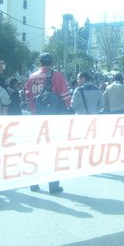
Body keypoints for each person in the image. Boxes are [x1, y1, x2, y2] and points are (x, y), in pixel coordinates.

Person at [25, 53, 70, 193]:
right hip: (53, 119)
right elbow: (65, 96)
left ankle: (33, 183)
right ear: (52, 62)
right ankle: (53, 185)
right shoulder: (57, 76)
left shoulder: (32, 77)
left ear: (40, 62)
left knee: (36, 151)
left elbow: (27, 96)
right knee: (53, 152)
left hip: (35, 118)